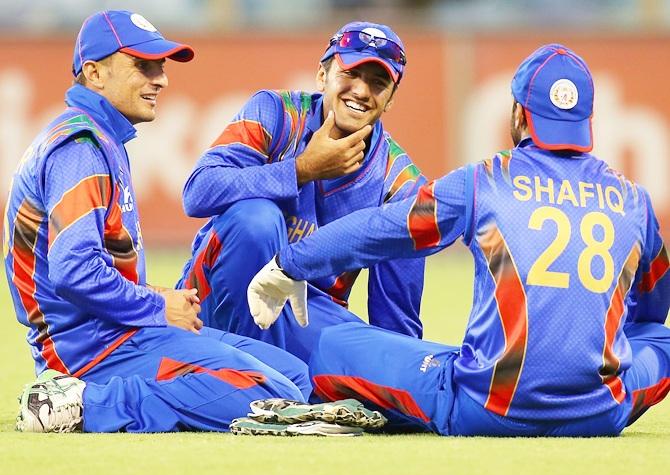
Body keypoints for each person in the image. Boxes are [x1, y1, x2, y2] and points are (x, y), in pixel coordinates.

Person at [246, 44, 670, 436]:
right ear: (586, 122)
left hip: (484, 406)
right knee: (662, 340)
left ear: (519, 114)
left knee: (337, 344)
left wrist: (290, 263)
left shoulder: (485, 182)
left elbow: (380, 231)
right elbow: (653, 310)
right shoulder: (635, 201)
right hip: (601, 410)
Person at [3, 10, 321, 434]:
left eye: (161, 66)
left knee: (294, 375)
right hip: (92, 354)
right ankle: (82, 405)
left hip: (121, 334)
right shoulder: (80, 146)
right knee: (269, 392)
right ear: (95, 74)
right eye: (143, 65)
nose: (161, 79)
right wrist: (158, 307)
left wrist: (161, 299)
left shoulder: (98, 138)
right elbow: (73, 271)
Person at [177, 22, 427, 362]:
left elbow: (396, 319)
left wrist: (394, 372)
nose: (362, 91)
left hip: (305, 315)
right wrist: (301, 170)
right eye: (350, 73)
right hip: (213, 299)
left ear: (391, 99)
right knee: (257, 219)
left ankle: (263, 378)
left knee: (376, 356)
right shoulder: (275, 114)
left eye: (378, 82)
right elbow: (198, 191)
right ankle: (261, 381)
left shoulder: (401, 187)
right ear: (322, 76)